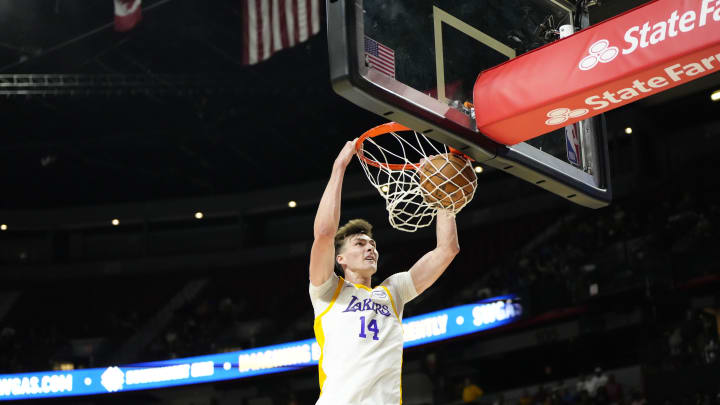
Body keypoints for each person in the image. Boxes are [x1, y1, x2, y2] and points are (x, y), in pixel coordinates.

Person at [309, 140, 461, 404]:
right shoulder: (327, 291)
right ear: (340, 258)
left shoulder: (393, 291)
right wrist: (339, 166)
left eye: (373, 244)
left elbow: (447, 250)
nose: (370, 249)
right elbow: (324, 233)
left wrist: (442, 194)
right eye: (360, 244)